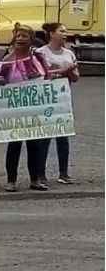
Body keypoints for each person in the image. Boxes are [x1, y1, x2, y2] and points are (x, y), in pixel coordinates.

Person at [0, 24, 49, 192]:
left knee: (34, 144)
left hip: (34, 107)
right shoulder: (7, 61)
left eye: (24, 36)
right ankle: (11, 181)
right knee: (14, 145)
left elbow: (47, 76)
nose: (20, 39)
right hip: (14, 109)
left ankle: (35, 179)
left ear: (31, 40)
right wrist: (0, 82)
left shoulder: (37, 58)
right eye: (18, 36)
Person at [36, 22, 79, 185]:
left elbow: (75, 78)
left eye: (66, 31)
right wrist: (61, 71)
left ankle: (64, 172)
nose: (65, 34)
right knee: (45, 137)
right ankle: (40, 173)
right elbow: (39, 75)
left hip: (63, 98)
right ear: (52, 34)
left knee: (63, 136)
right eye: (61, 31)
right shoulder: (41, 53)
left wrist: (69, 72)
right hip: (46, 98)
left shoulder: (69, 54)